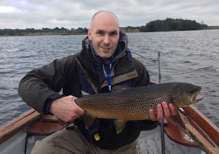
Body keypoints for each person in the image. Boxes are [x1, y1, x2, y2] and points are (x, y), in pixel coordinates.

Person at [18, 10, 177, 154]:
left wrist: (151, 120)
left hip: (124, 145)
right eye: (100, 33)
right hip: (82, 137)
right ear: (90, 34)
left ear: (119, 35)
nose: (106, 41)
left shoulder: (136, 69)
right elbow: (28, 82)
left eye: (112, 34)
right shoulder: (71, 64)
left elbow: (141, 124)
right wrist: (52, 104)